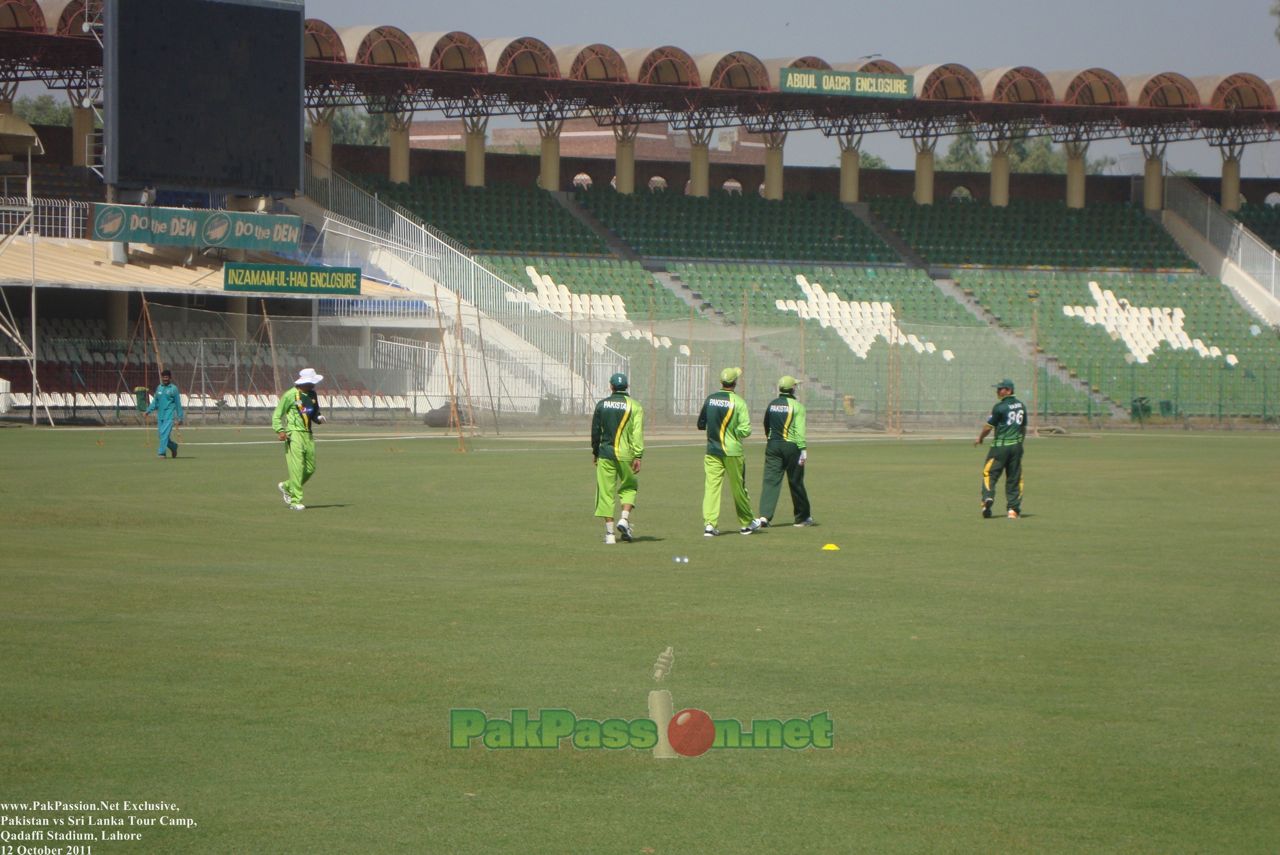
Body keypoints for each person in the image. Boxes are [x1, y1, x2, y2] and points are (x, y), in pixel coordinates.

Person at [697, 366, 757, 536]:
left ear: (721, 382)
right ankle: (746, 523)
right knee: (738, 488)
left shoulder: (710, 399)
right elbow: (746, 430)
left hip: (712, 451)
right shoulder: (738, 402)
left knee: (711, 489)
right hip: (733, 452)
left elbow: (701, 424)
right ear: (735, 383)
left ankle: (709, 524)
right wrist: (733, 433)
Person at [752, 375, 814, 529]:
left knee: (770, 481)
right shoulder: (798, 406)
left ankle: (764, 517)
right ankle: (802, 517)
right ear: (792, 388)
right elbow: (799, 431)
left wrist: (771, 439)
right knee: (796, 481)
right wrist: (803, 449)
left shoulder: (772, 404)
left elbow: (766, 424)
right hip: (792, 447)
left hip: (773, 446)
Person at [591, 372, 645, 545]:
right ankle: (624, 518)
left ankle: (609, 535)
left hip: (605, 453)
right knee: (629, 487)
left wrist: (595, 452)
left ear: (611, 386)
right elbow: (637, 434)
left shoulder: (602, 405)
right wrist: (638, 455)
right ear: (627, 387)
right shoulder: (635, 406)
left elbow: (595, 431)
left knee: (606, 493)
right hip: (625, 455)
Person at [273, 368, 327, 511]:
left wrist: (319, 418)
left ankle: (287, 486)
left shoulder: (312, 394)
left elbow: (315, 413)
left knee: (310, 468)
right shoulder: (290, 395)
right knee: (297, 468)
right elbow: (277, 415)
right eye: (312, 383)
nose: (314, 386)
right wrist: (280, 430)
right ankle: (295, 501)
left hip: (308, 434)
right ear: (305, 382)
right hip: (294, 434)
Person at [975, 378, 1027, 519]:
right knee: (1014, 477)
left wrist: (980, 438)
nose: (998, 391)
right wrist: (1019, 443)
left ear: (1009, 390)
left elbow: (988, 427)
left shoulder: (1000, 407)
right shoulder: (1021, 405)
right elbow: (1023, 427)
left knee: (989, 474)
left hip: (1000, 447)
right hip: (1016, 446)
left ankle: (987, 499)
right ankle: (1013, 509)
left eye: (1000, 389)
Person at [145, 369, 184, 459]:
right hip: (161, 415)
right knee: (161, 435)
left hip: (169, 416)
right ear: (162, 378)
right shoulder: (159, 388)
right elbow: (155, 402)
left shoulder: (173, 389)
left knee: (164, 434)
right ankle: (174, 446)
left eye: (167, 377)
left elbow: (178, 404)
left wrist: (180, 418)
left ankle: (161, 453)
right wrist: (148, 410)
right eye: (164, 377)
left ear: (170, 378)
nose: (165, 379)